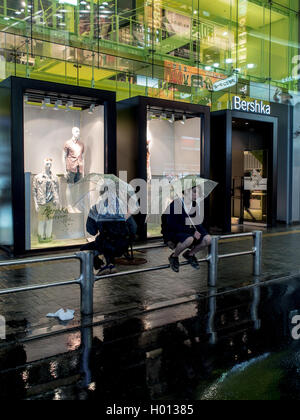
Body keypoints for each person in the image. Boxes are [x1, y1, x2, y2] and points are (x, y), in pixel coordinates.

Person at [162, 186, 211, 273]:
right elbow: (172, 225)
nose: (197, 194)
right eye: (194, 192)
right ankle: (174, 257)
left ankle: (190, 254)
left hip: (186, 231)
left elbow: (196, 222)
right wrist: (192, 231)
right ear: (186, 192)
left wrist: (203, 233)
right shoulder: (176, 204)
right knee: (189, 239)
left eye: (198, 192)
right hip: (173, 232)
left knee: (207, 239)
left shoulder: (194, 204)